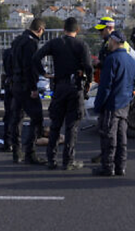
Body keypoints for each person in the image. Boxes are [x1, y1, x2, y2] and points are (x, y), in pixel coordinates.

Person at [33, 17, 92, 171]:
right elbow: (88, 66)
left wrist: (44, 74)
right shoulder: (81, 45)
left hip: (59, 87)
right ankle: (68, 161)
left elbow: (36, 57)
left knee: (55, 125)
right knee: (71, 127)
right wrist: (88, 82)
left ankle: (51, 159)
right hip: (75, 88)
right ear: (77, 30)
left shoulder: (55, 43)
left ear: (63, 29)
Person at [92, 30, 135, 176]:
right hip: (125, 104)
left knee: (109, 137)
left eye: (110, 40)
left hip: (112, 104)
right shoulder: (132, 61)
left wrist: (98, 105)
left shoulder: (111, 60)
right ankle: (120, 166)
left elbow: (105, 86)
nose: (108, 43)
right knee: (121, 137)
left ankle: (108, 167)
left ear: (114, 41)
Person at [9, 18, 47, 165]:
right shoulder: (31, 44)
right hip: (26, 85)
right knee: (37, 119)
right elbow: (29, 67)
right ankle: (30, 153)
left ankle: (16, 152)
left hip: (15, 84)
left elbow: (9, 61)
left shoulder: (18, 40)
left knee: (17, 119)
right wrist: (33, 88)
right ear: (40, 30)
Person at [0, 47, 14, 152]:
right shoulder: (24, 51)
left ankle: (8, 143)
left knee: (9, 114)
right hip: (21, 84)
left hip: (9, 83)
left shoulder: (7, 52)